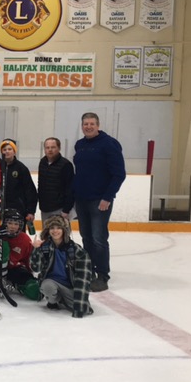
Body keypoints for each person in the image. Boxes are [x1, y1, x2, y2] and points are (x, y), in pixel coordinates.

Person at [73, 112, 126, 292]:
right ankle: (89, 270)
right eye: (85, 124)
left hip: (99, 201)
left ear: (98, 125)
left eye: (92, 124)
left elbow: (119, 174)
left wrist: (107, 197)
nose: (88, 126)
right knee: (86, 237)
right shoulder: (79, 145)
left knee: (99, 238)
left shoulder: (109, 144)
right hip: (81, 199)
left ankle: (102, 275)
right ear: (82, 126)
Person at [31, 215, 94, 318]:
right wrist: (36, 250)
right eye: (52, 228)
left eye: (58, 228)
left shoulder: (76, 250)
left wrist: (79, 307)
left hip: (70, 287)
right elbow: (35, 268)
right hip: (52, 283)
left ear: (64, 230)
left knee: (84, 310)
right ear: (48, 230)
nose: (55, 231)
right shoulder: (45, 247)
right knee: (47, 286)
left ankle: (62, 299)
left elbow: (83, 279)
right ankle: (54, 301)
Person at [0, 208, 39, 300]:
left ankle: (14, 284)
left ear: (20, 225)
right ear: (4, 223)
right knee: (3, 244)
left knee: (35, 291)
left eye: (16, 224)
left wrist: (36, 252)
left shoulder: (24, 238)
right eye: (10, 223)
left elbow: (28, 261)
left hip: (13, 269)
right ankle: (1, 279)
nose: (13, 227)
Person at [0, 138, 38, 229]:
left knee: (18, 234)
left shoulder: (21, 168)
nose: (7, 152)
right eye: (4, 150)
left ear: (14, 151)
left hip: (18, 208)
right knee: (4, 233)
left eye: (9, 149)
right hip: (2, 208)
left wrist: (31, 211)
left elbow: (30, 190)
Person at [37, 137, 75, 223]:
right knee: (46, 235)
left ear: (59, 148)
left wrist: (66, 209)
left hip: (60, 209)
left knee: (60, 235)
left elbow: (70, 189)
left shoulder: (66, 165)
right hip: (44, 208)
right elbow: (41, 184)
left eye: (53, 147)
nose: (50, 150)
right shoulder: (42, 162)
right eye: (47, 147)